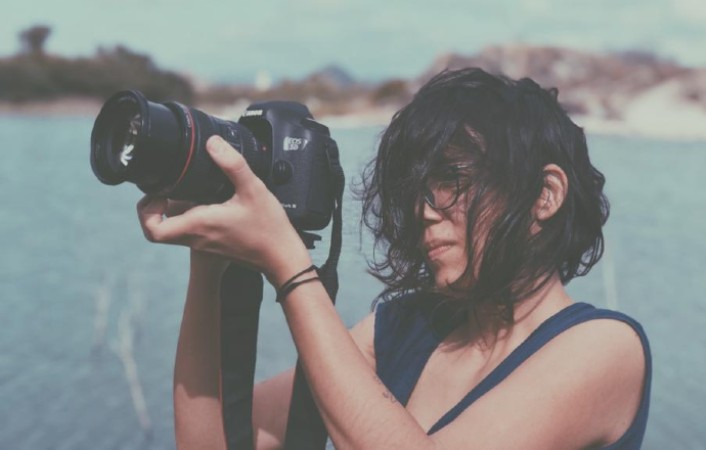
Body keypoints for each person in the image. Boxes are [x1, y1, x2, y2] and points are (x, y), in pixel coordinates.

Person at [137, 68, 651, 450]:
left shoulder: (605, 348)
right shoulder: (402, 328)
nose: (425, 211)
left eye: (451, 181)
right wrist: (209, 262)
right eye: (418, 190)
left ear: (546, 194)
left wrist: (290, 268)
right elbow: (212, 443)